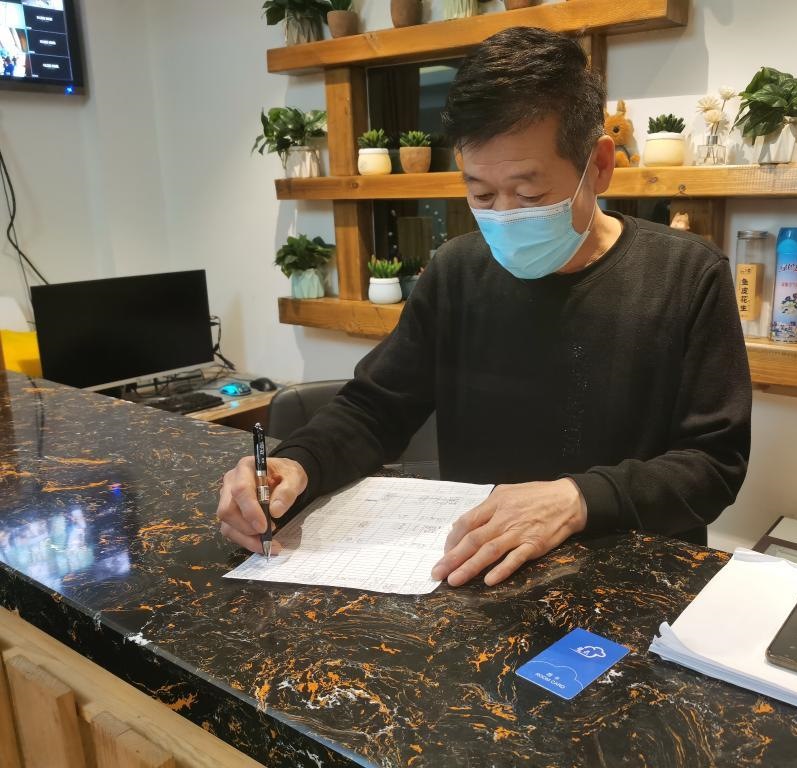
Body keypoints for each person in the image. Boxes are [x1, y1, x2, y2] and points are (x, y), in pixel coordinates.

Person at [217, 27, 752, 588]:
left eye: (529, 194)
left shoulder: (686, 275)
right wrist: (298, 462)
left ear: (598, 166)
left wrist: (577, 499)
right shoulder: (457, 271)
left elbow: (713, 465)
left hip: (628, 584)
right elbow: (376, 409)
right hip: (477, 575)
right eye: (481, 194)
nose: (504, 215)